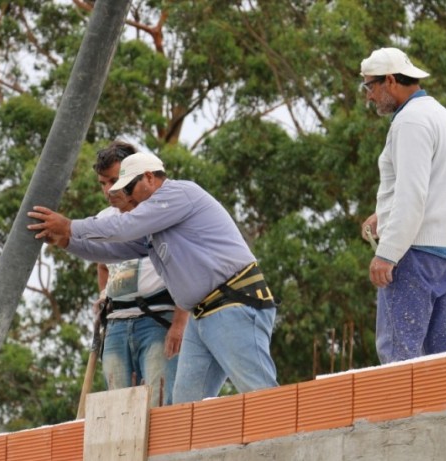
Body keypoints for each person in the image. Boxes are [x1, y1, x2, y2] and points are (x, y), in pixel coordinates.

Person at [27, 150, 278, 403]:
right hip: (202, 315)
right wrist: (66, 241)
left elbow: (125, 227)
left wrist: (70, 225)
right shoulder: (155, 225)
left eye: (129, 189)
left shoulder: (177, 193)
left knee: (258, 389)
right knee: (185, 406)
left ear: (149, 178)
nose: (125, 197)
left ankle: (293, 440)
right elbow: (115, 251)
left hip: (233, 303)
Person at [359, 47, 446, 364]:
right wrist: (385, 215)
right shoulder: (440, 115)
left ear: (390, 80)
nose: (369, 96)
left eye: (370, 86)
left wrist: (387, 253)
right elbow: (434, 187)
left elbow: (412, 195)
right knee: (442, 361)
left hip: (415, 256)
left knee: (400, 357)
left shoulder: (409, 122)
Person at [90, 141, 187, 406]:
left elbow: (184, 269)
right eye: (103, 183)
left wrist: (180, 322)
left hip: (156, 319)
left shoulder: (159, 212)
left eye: (114, 180)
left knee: (159, 403)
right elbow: (102, 263)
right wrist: (103, 294)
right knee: (119, 408)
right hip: (117, 323)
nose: (109, 190)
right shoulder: (103, 218)